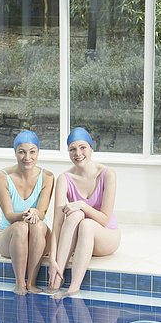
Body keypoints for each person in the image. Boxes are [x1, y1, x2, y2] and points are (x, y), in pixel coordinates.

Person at [48, 127, 120, 298]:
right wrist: (52, 258)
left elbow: (104, 219)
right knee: (75, 216)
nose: (77, 153)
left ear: (91, 149)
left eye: (82, 147)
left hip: (106, 236)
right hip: (81, 240)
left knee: (86, 222)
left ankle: (73, 287)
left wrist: (82, 205)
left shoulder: (107, 174)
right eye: (72, 149)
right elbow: (57, 222)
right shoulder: (64, 178)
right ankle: (56, 280)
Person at [0, 130, 54, 295]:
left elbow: (41, 212)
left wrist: (34, 212)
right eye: (22, 152)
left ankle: (31, 282)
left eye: (32, 151)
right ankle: (20, 283)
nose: (27, 157)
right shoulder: (2, 177)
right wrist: (24, 215)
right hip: (10, 236)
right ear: (15, 152)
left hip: (38, 236)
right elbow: (8, 215)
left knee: (38, 226)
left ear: (38, 152)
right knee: (21, 227)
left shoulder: (47, 177)